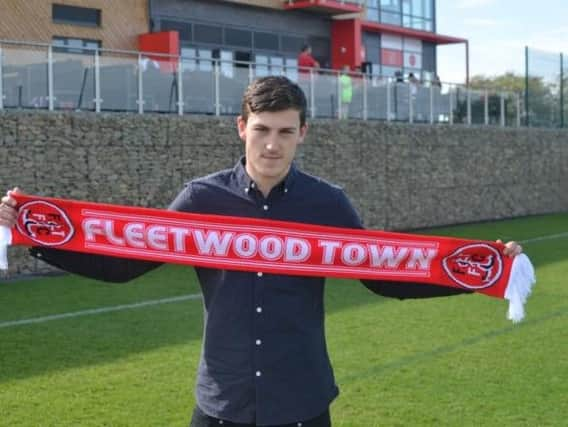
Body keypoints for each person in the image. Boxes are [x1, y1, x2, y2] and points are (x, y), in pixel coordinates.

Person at [0, 76, 523, 427]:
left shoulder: (327, 204)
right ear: (241, 128)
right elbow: (122, 265)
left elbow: (383, 276)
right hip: (221, 402)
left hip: (301, 401)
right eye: (261, 130)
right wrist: (33, 234)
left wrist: (480, 270)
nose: (271, 144)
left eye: (284, 132)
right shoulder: (201, 199)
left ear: (303, 134)